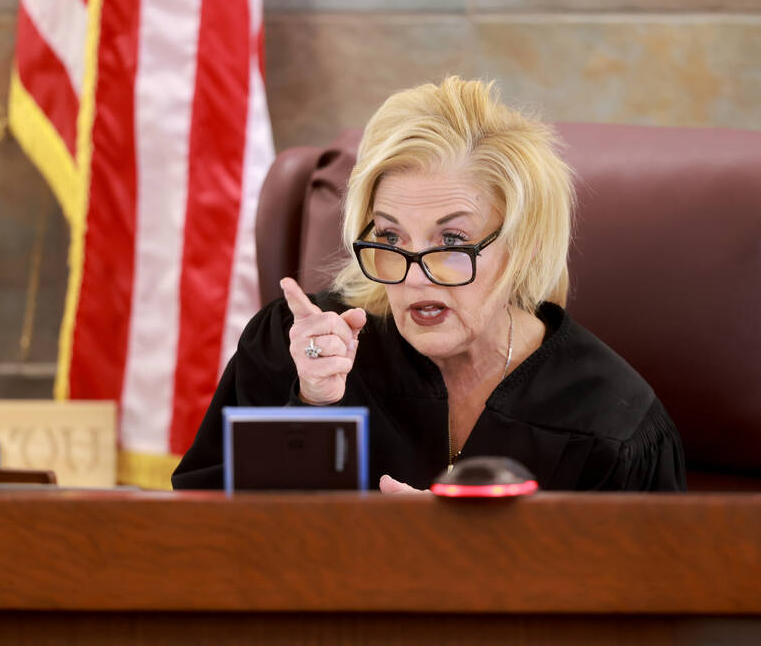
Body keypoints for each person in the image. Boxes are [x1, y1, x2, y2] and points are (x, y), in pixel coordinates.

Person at [172, 77, 686, 492]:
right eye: (390, 236)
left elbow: (639, 609)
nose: (415, 276)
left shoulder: (614, 421)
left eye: (452, 241)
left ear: (523, 245)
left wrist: (444, 562)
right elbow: (214, 548)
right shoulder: (297, 344)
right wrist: (311, 409)